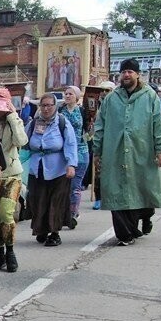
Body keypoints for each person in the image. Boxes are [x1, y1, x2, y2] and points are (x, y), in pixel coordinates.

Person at [93, 59, 161, 245]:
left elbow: (158, 124)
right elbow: (100, 125)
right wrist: (97, 152)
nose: (126, 75)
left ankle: (139, 222)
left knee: (139, 190)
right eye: (123, 72)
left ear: (137, 74)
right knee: (116, 191)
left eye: (130, 72)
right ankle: (125, 234)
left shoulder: (149, 96)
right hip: (114, 152)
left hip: (141, 151)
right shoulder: (111, 98)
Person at [0, 88, 29, 273]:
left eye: (1, 108)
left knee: (6, 213)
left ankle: (10, 251)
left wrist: (12, 117)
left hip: (12, 174)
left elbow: (21, 141)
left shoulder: (14, 121)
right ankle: (0, 254)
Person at [26, 93, 77, 247]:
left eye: (50, 105)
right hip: (37, 168)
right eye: (43, 105)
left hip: (58, 169)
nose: (46, 108)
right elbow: (23, 140)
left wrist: (71, 164)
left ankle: (54, 233)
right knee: (37, 199)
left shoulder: (62, 123)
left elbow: (70, 143)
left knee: (56, 201)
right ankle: (41, 229)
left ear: (55, 106)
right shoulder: (34, 123)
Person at [59, 85, 87, 228]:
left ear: (76, 96)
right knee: (63, 185)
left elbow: (89, 128)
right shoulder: (60, 111)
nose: (68, 96)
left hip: (80, 150)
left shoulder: (83, 111)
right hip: (63, 151)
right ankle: (62, 213)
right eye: (66, 93)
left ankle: (72, 214)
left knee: (75, 185)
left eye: (71, 94)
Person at [91, 81, 117, 210]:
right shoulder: (95, 104)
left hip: (114, 143)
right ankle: (98, 198)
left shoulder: (117, 105)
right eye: (103, 90)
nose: (104, 93)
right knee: (99, 172)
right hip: (100, 142)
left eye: (108, 90)